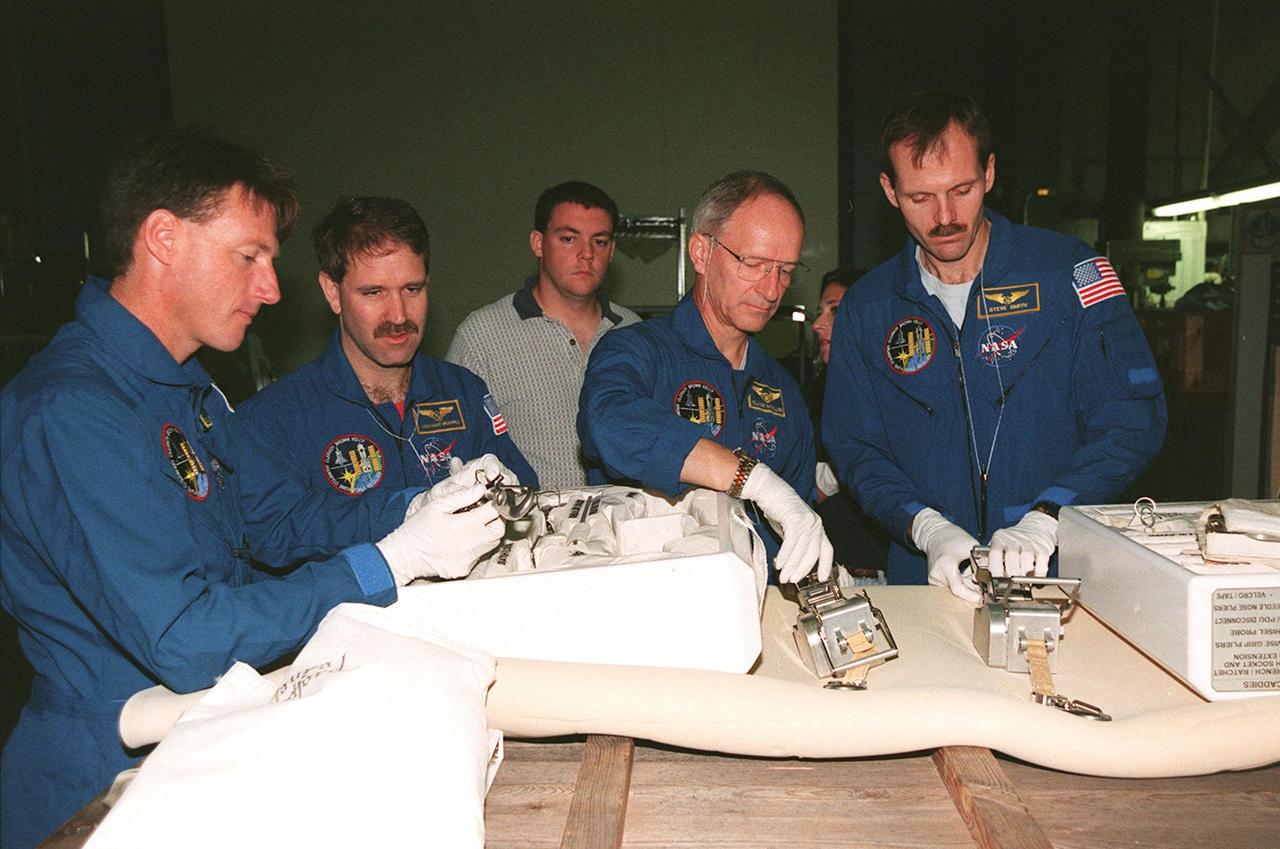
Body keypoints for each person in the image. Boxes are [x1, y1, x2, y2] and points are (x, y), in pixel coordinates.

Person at [0, 128, 504, 849]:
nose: (270, 289)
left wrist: (413, 509)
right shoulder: (77, 409)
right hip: (103, 782)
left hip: (201, 741)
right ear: (164, 238)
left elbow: (277, 520)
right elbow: (186, 637)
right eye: (249, 258)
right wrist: (393, 561)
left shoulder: (185, 387)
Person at [823, 90, 1166, 602]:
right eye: (920, 198)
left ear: (988, 172)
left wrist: (1050, 516)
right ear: (890, 191)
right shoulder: (868, 308)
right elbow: (856, 449)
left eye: (961, 190)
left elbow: (1131, 419)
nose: (945, 216)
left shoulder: (1069, 276)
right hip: (929, 579)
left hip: (1061, 572)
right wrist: (924, 527)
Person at [578, 171, 832, 584]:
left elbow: (796, 520)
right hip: (644, 597)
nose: (771, 290)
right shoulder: (638, 352)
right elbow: (609, 423)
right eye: (754, 264)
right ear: (701, 253)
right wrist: (754, 480)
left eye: (785, 271)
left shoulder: (780, 390)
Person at [237, 197, 537, 496]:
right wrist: (410, 511)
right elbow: (282, 522)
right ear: (333, 292)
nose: (399, 315)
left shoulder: (462, 391)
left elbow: (525, 493)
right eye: (374, 292)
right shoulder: (276, 419)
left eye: (412, 289)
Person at [446, 181, 639, 489]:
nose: (587, 254)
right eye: (568, 239)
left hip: (627, 516)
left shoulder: (635, 331)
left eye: (600, 241)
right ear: (538, 243)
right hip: (523, 518)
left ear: (612, 250)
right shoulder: (481, 337)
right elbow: (455, 455)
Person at [808, 268, 890, 580]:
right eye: (820, 312)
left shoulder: (894, 389)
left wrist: (830, 477)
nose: (818, 324)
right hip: (832, 569)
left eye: (835, 311)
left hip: (877, 570)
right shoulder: (824, 387)